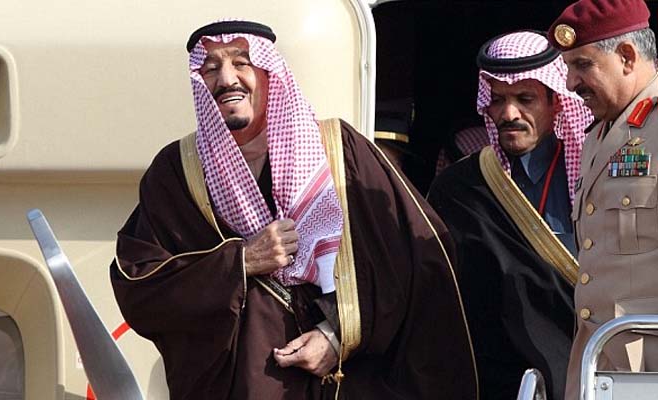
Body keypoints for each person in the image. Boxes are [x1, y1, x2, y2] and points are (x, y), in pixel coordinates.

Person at [110, 20, 477, 399]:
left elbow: (415, 262)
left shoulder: (340, 150)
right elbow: (140, 287)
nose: (226, 79)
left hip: (346, 383)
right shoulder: (177, 172)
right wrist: (240, 262)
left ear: (270, 72)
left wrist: (338, 333)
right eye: (211, 68)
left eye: (241, 62)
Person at [428, 30, 593, 400]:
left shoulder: (592, 174)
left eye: (525, 99)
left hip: (584, 368)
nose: (509, 114)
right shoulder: (458, 188)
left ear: (556, 102)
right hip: (494, 380)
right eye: (498, 100)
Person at [548, 0, 658, 398]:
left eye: (583, 65)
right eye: (568, 67)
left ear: (626, 57)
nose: (571, 83)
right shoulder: (598, 135)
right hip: (600, 365)